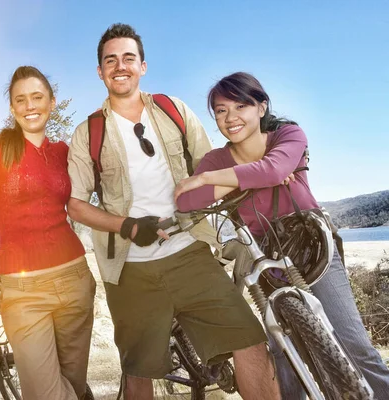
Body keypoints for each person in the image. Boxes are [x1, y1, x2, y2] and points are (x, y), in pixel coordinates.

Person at [67, 23, 281, 400]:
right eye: (110, 60)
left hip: (192, 253)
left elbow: (212, 163)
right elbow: (76, 205)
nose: (121, 66)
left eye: (128, 58)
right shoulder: (88, 133)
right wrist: (127, 226)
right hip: (129, 270)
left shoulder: (173, 109)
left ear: (143, 66)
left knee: (249, 341)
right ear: (100, 72)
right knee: (139, 372)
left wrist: (277, 153)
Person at [175, 71, 389, 399]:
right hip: (262, 256)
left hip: (312, 246)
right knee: (283, 353)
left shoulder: (287, 134)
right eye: (220, 110)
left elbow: (274, 168)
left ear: (261, 107)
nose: (230, 117)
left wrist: (210, 180)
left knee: (354, 345)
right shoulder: (217, 157)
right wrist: (255, 175)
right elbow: (186, 200)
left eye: (240, 106)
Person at [0, 66, 95, 400]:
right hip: (22, 292)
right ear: (12, 108)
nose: (29, 105)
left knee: (74, 388)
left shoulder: (64, 152)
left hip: (75, 280)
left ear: (52, 102)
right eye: (20, 100)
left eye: (37, 97)